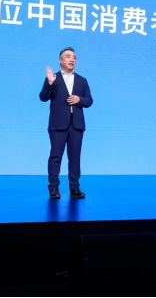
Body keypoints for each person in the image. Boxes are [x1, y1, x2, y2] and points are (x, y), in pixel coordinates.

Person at [39, 47, 93, 199]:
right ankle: (53, 187)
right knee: (55, 156)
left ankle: (74, 187)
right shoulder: (53, 78)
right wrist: (49, 83)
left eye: (74, 57)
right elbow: (43, 97)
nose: (72, 59)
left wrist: (79, 99)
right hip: (58, 124)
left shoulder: (82, 80)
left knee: (75, 158)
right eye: (68, 56)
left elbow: (89, 100)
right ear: (60, 60)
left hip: (76, 125)